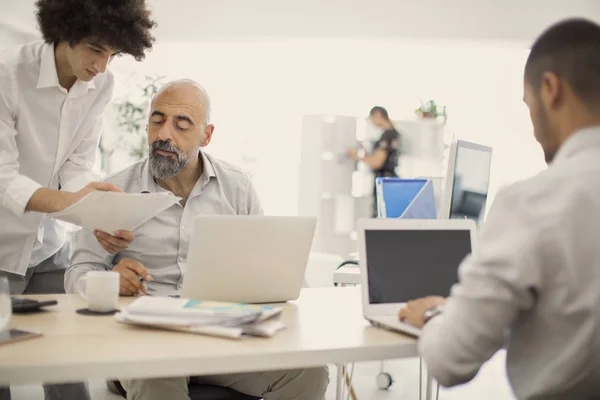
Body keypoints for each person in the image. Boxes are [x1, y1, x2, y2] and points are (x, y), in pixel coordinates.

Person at [65, 79, 330, 400]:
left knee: (309, 373)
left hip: (220, 332)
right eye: (157, 120)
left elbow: (267, 267)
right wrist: (107, 280)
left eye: (182, 124)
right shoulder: (114, 190)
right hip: (146, 337)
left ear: (206, 135)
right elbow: (77, 272)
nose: (164, 133)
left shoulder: (237, 187)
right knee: (159, 378)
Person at [399, 18, 600, 400]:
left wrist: (434, 314)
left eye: (528, 106)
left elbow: (450, 361)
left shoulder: (534, 202)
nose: (534, 127)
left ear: (550, 89)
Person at [0, 1, 155, 399]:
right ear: (64, 33)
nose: (102, 66)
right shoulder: (7, 73)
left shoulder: (100, 85)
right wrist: (78, 206)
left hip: (48, 249)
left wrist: (99, 215)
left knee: (70, 373)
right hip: (1, 247)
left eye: (113, 54)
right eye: (95, 49)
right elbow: (4, 178)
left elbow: (77, 166)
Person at [348, 106, 400, 216]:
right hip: (387, 180)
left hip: (385, 181)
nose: (372, 123)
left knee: (380, 216)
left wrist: (357, 156)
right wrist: (365, 151)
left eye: (372, 119)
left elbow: (377, 163)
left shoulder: (388, 135)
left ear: (378, 115)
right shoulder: (391, 134)